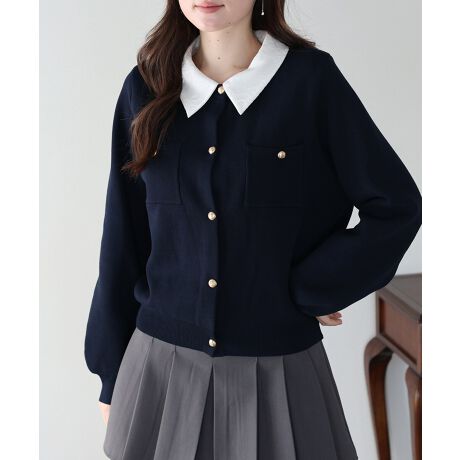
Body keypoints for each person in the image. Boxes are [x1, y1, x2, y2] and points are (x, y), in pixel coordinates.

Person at [84, 1, 422, 459]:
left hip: (280, 372)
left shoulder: (310, 83)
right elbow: (122, 240)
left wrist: (315, 286)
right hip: (160, 375)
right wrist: (110, 376)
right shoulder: (145, 88)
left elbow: (396, 206)